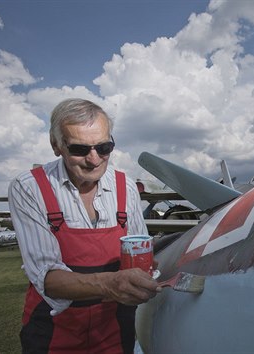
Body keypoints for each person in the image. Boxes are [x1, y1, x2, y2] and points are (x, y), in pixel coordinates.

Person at [8, 98, 160, 353]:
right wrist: (110, 284)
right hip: (54, 327)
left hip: (114, 325)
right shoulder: (29, 187)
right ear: (56, 145)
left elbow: (139, 250)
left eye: (104, 147)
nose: (94, 159)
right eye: (80, 149)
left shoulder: (127, 187)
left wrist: (147, 271)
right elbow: (46, 277)